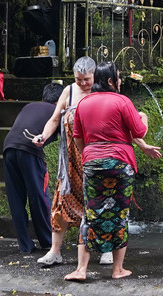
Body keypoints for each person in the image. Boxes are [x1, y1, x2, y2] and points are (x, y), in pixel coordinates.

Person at [63, 60, 161, 281]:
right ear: (110, 80)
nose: (120, 81)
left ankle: (81, 270)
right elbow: (139, 131)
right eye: (118, 77)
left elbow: (78, 137)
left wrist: (90, 155)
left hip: (92, 163)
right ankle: (117, 270)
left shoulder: (83, 103)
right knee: (119, 214)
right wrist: (144, 117)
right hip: (120, 164)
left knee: (90, 214)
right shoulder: (122, 101)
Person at [32, 56, 108, 267]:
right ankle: (55, 251)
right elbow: (55, 119)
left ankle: (106, 249)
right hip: (70, 161)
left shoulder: (102, 91)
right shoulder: (69, 91)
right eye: (78, 79)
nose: (83, 83)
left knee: (100, 202)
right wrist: (43, 136)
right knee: (61, 202)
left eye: (87, 79)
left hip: (95, 157)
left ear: (95, 75)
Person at [2, 82, 62, 253]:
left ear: (43, 98)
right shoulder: (57, 112)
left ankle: (25, 245)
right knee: (38, 196)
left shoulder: (29, 106)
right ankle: (47, 241)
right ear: (61, 100)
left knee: (16, 198)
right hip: (29, 150)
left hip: (8, 147)